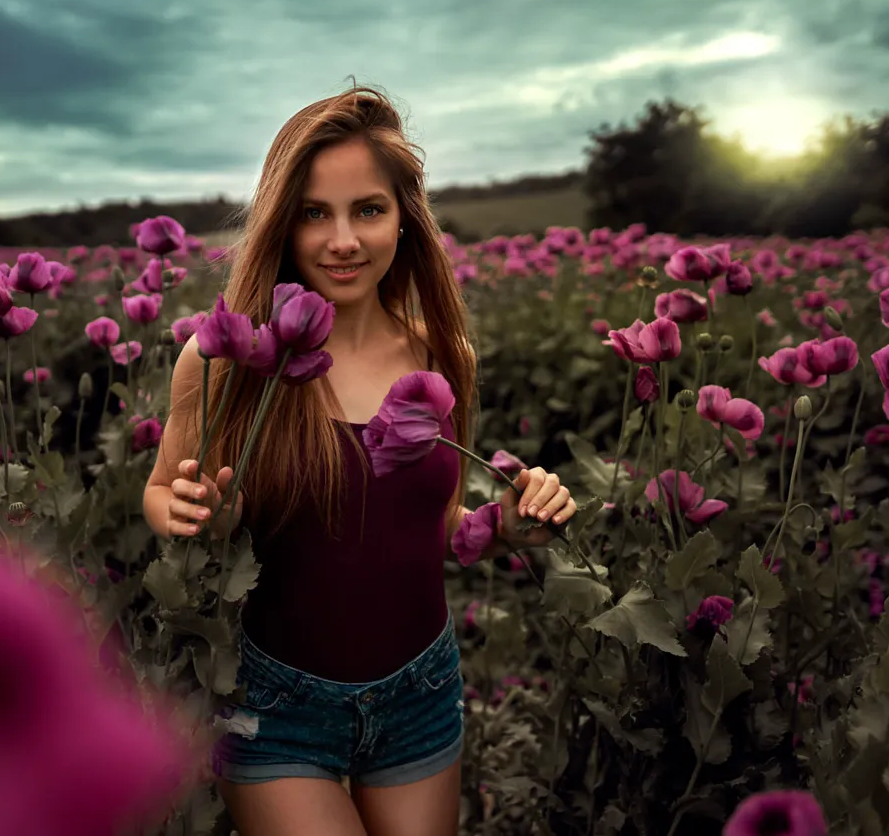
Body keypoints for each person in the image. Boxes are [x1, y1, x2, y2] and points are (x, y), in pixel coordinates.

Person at [142, 85, 576, 836]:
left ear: (405, 217)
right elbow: (158, 491)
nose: (342, 240)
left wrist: (504, 526)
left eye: (367, 210)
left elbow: (431, 523)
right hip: (275, 704)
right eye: (315, 213)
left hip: (419, 691)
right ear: (283, 223)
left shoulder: (443, 356)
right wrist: (188, 512)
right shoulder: (226, 358)